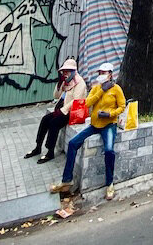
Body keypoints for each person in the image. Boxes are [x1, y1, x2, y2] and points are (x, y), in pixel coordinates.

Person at [50, 62, 126, 201]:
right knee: (73, 143)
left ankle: (109, 184)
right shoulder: (97, 88)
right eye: (100, 73)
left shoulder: (116, 89)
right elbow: (87, 103)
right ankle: (67, 180)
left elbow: (122, 106)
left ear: (110, 74)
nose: (101, 75)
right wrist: (101, 91)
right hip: (95, 124)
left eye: (104, 73)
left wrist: (110, 114)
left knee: (109, 150)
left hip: (109, 124)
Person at [26, 58, 86, 162]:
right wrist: (59, 84)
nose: (65, 73)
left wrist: (62, 110)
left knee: (54, 123)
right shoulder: (66, 81)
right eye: (64, 71)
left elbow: (76, 101)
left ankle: (50, 152)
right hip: (61, 109)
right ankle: (38, 147)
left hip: (72, 112)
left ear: (73, 71)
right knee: (45, 119)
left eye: (67, 71)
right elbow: (56, 96)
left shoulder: (80, 83)